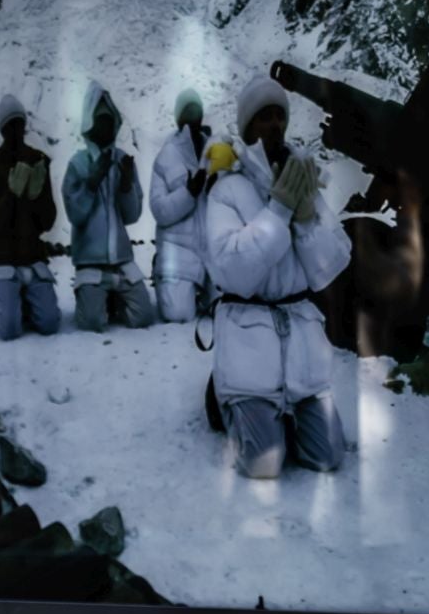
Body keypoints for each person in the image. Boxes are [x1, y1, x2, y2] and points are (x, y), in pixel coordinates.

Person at [203, 74, 352, 479]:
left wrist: (305, 217)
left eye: (279, 116)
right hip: (249, 340)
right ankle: (229, 398)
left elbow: (331, 266)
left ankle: (283, 411)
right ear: (247, 126)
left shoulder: (301, 180)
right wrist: (279, 211)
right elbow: (232, 272)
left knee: (329, 456)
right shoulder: (226, 190)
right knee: (263, 464)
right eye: (263, 117)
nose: (274, 125)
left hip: (299, 342)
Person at [61, 81, 155, 332]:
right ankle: (92, 296)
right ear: (90, 123)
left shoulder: (123, 161)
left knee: (144, 316)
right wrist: (91, 183)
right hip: (89, 261)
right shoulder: (78, 164)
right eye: (101, 120)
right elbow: (75, 215)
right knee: (92, 322)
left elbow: (132, 216)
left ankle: (112, 297)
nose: (106, 126)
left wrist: (125, 186)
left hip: (121, 260)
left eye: (109, 120)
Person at [0, 94, 61, 340]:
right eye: (10, 125)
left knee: (50, 324)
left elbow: (48, 222)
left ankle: (20, 299)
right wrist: (11, 195)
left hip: (32, 255)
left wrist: (37, 197)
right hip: (3, 257)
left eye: (19, 124)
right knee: (8, 330)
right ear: (2, 129)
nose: (15, 130)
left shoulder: (38, 160)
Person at [150, 88, 215, 324]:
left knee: (225, 310)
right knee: (178, 314)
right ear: (178, 118)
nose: (192, 117)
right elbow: (159, 210)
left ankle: (204, 289)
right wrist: (189, 193)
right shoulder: (166, 156)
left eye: (196, 111)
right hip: (178, 251)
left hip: (212, 252)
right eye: (187, 112)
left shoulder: (216, 151)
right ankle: (164, 272)